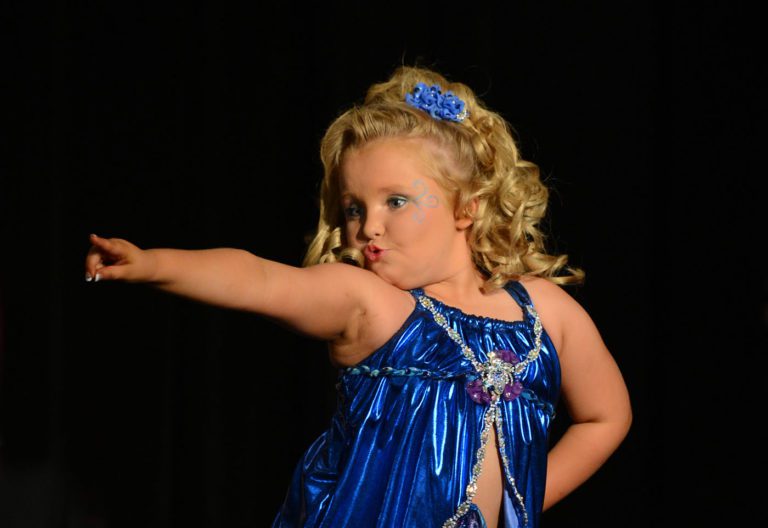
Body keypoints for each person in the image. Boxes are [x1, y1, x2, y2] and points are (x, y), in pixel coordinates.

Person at [84, 66, 631, 528]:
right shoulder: (373, 305)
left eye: (396, 201)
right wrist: (154, 265)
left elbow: (606, 417)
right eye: (353, 208)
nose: (368, 226)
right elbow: (259, 279)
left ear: (466, 207)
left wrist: (523, 499)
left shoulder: (544, 312)